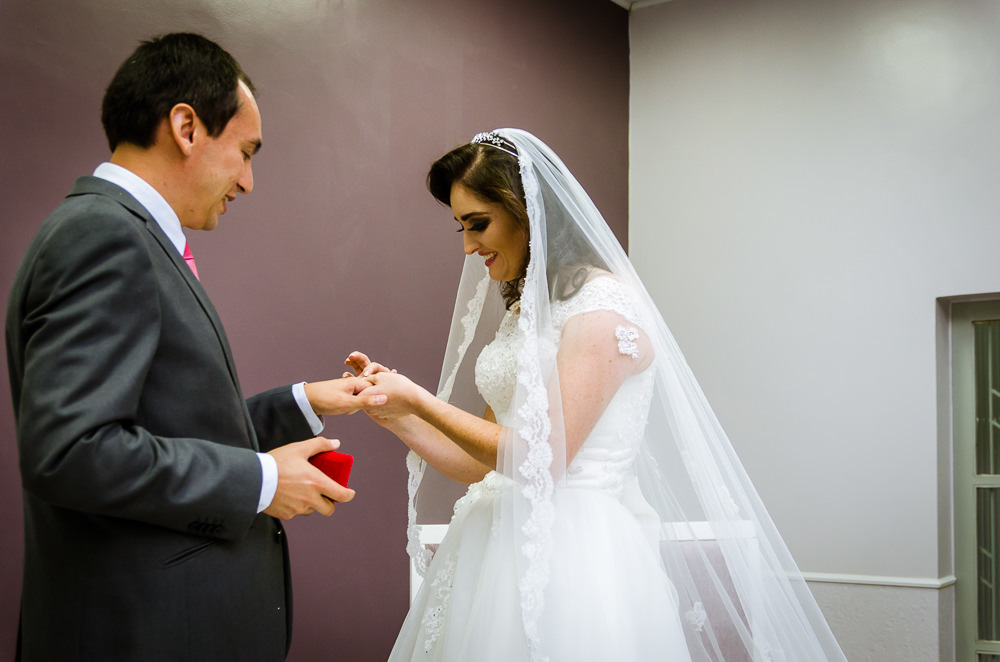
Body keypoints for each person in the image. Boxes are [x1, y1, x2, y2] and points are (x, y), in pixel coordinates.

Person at [348, 129, 848, 661]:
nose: (469, 247)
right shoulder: (528, 310)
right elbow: (486, 462)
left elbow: (543, 459)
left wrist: (421, 400)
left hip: (573, 553)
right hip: (491, 542)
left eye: (478, 224)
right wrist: (397, 414)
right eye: (462, 227)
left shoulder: (601, 307)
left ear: (526, 211)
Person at [5, 33, 384, 662]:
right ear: (186, 128)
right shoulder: (104, 236)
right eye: (245, 152)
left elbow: (167, 429)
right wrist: (262, 481)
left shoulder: (117, 231)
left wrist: (305, 401)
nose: (248, 182)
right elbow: (72, 453)